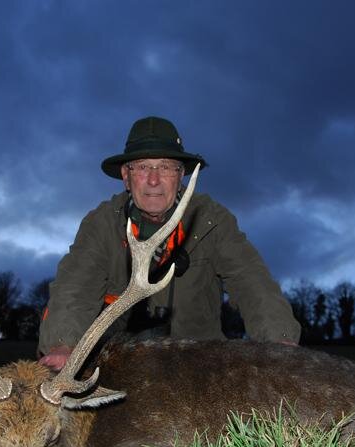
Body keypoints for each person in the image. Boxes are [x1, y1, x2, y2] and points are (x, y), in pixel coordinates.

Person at [38, 116, 300, 370]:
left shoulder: (211, 219)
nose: (154, 180)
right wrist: (62, 345)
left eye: (165, 166)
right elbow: (75, 289)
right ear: (126, 177)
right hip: (121, 365)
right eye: (142, 167)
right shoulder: (102, 223)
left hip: (200, 366)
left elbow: (251, 281)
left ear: (181, 174)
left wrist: (280, 341)